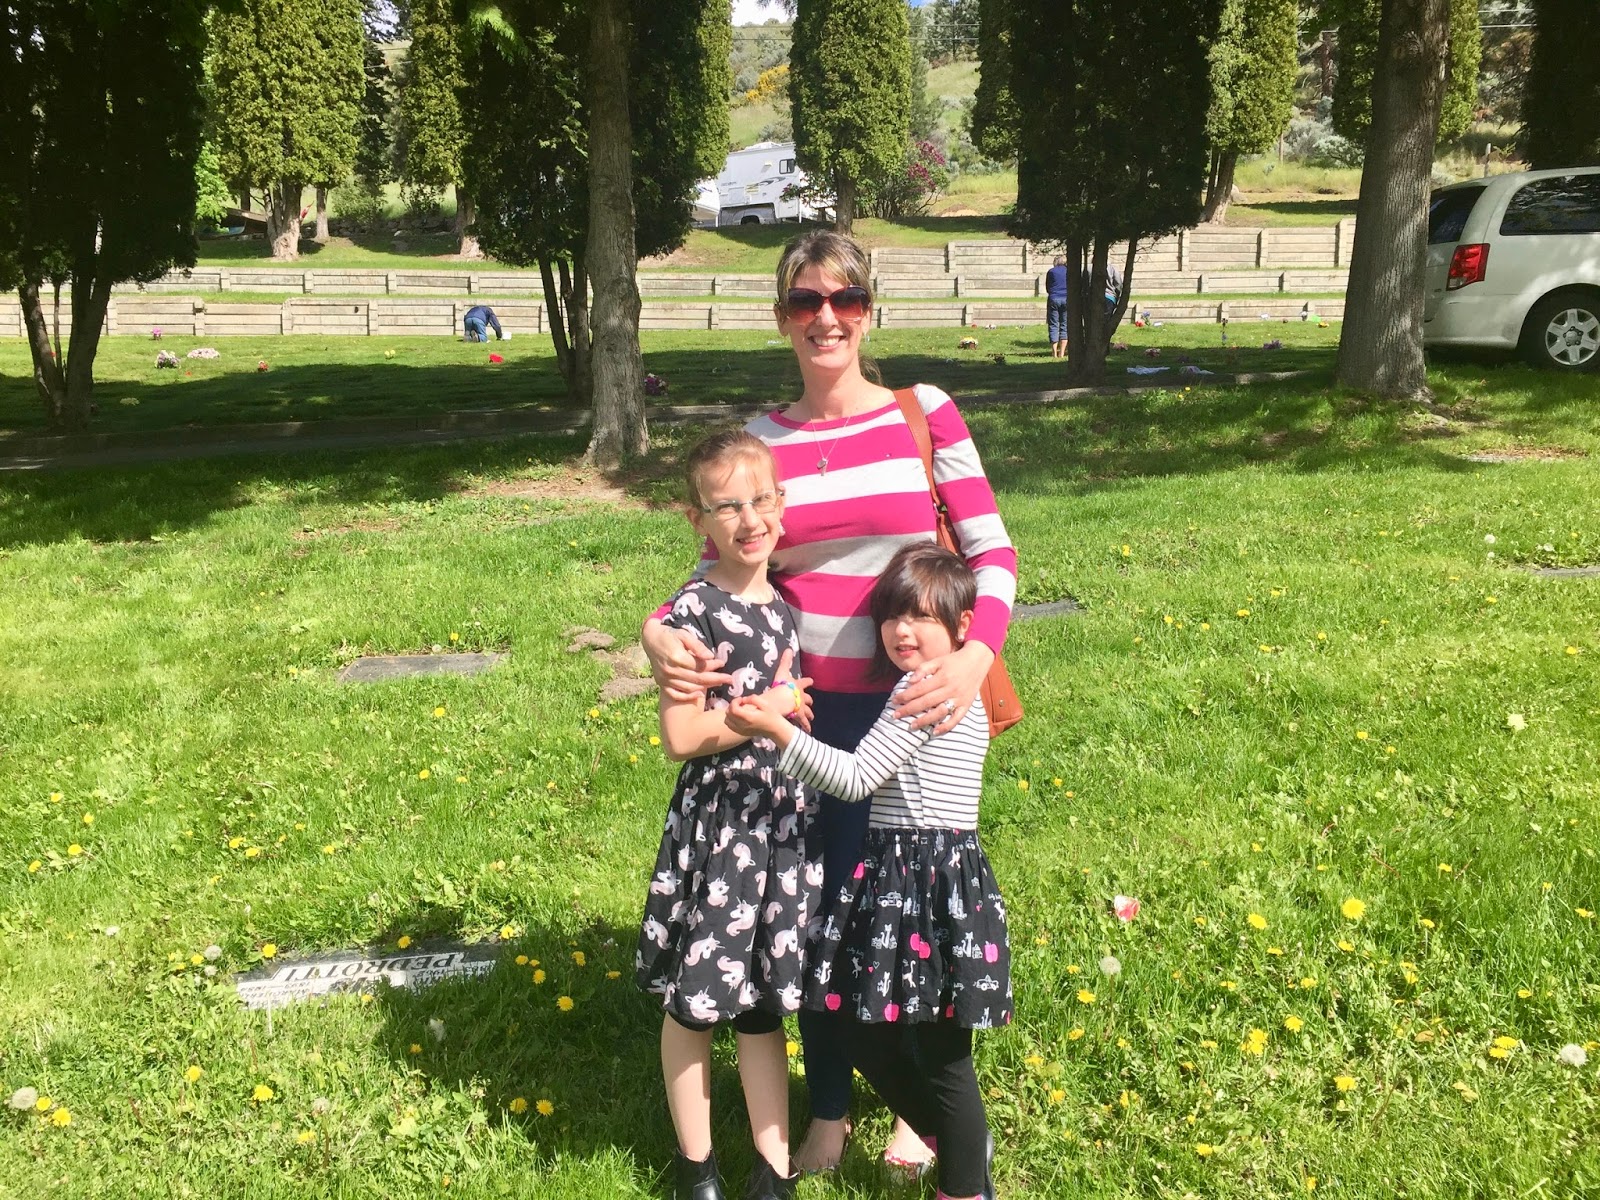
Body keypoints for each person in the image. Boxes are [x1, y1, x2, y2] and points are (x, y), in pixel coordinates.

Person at [640, 229, 1016, 1176]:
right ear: (783, 317)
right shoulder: (762, 441)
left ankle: (920, 1110)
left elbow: (993, 552)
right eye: (806, 301)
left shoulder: (925, 412)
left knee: (912, 912)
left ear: (868, 310)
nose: (826, 318)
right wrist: (653, 631)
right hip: (805, 720)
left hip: (915, 712)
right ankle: (831, 1110)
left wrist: (975, 657)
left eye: (844, 299)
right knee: (815, 918)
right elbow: (718, 566)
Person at [725, 543, 1011, 1200]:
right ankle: (957, 1141)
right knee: (871, 1030)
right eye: (891, 617)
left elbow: (855, 779)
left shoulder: (920, 690)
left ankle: (964, 1184)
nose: (902, 631)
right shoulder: (941, 684)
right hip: (911, 878)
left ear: (963, 626)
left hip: (923, 882)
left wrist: (778, 731)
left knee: (941, 1056)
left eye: (921, 617)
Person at [636, 430, 819, 1200]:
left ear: (782, 502)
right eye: (728, 507)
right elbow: (681, 738)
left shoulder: (784, 603)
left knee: (763, 1004)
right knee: (695, 1002)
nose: (750, 519)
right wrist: (764, 714)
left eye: (761, 499)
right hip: (722, 831)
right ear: (697, 519)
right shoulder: (693, 614)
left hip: (778, 822)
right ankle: (697, 1168)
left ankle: (773, 1169)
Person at [1045, 254, 1069, 359]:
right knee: (1064, 325)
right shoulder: (1069, 271)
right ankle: (1062, 353)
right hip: (1066, 299)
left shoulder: (1051, 272)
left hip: (1053, 298)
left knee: (1053, 325)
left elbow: (1048, 287)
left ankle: (1054, 352)